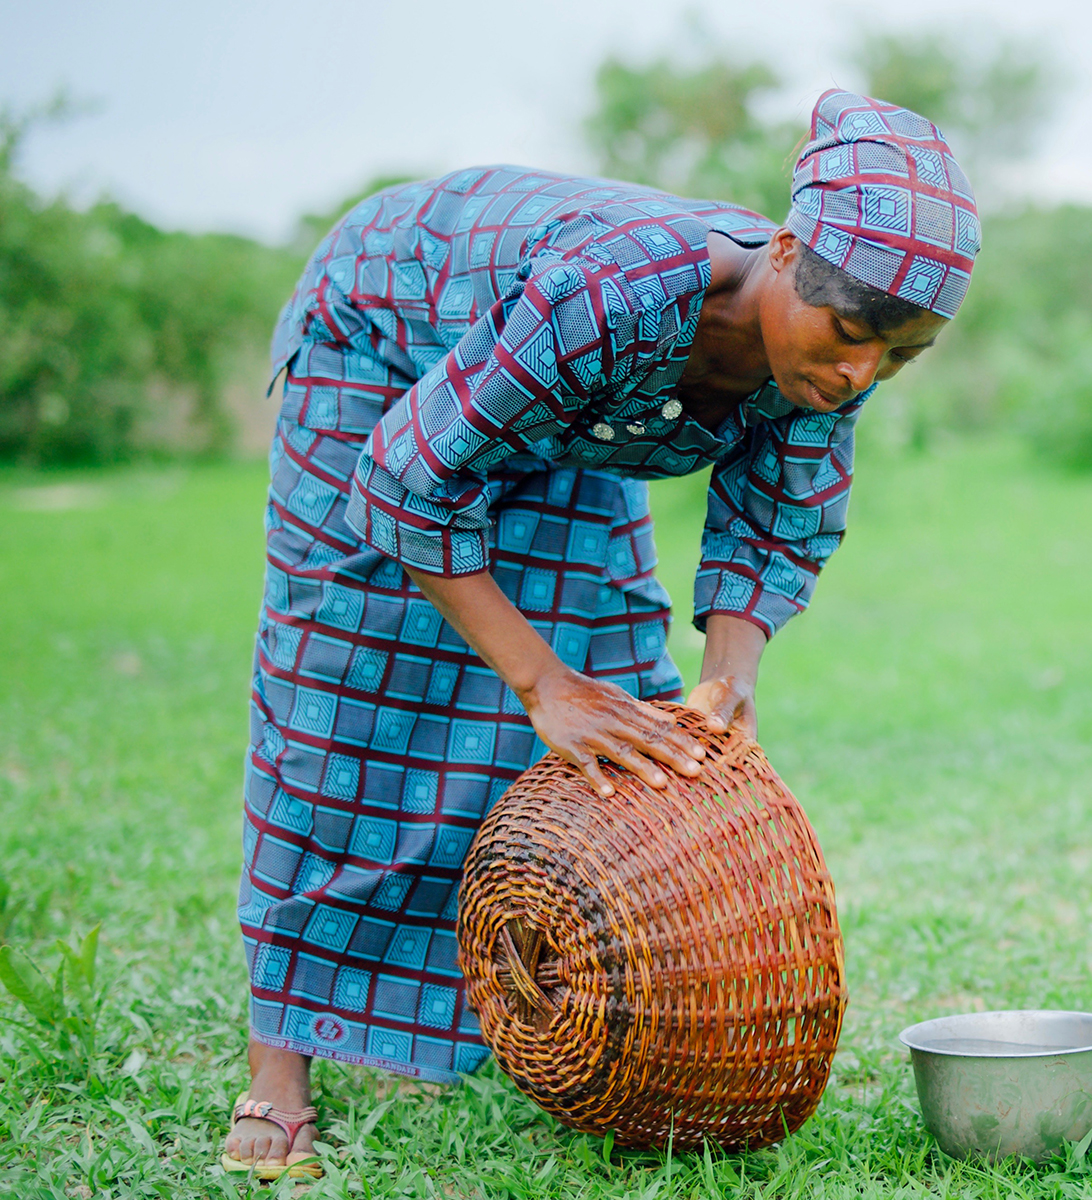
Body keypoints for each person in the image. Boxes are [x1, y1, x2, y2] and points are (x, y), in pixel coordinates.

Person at [221, 89, 979, 1179]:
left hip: (573, 403)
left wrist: (729, 679)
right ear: (788, 248)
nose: (860, 370)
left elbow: (780, 518)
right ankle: (280, 1063)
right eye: (849, 332)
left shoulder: (827, 369)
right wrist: (539, 684)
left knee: (625, 688)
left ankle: (520, 1010)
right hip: (385, 337)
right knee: (349, 689)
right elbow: (407, 480)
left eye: (899, 357)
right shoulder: (618, 292)